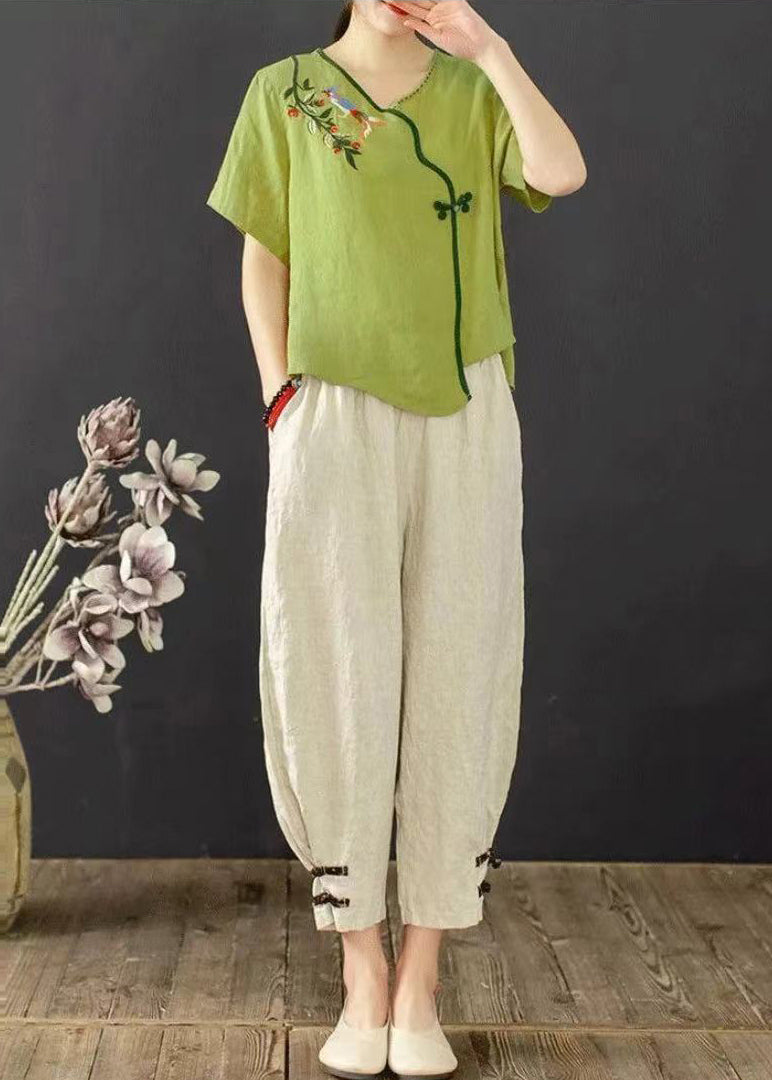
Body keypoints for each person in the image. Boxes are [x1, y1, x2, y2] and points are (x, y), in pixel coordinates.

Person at [207, 1, 585, 1076]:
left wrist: (491, 50)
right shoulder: (285, 94)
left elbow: (560, 173)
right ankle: (360, 969)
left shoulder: (473, 91)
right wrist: (280, 400)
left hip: (467, 409)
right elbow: (264, 258)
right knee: (337, 668)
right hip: (330, 407)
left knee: (460, 665)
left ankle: (422, 978)